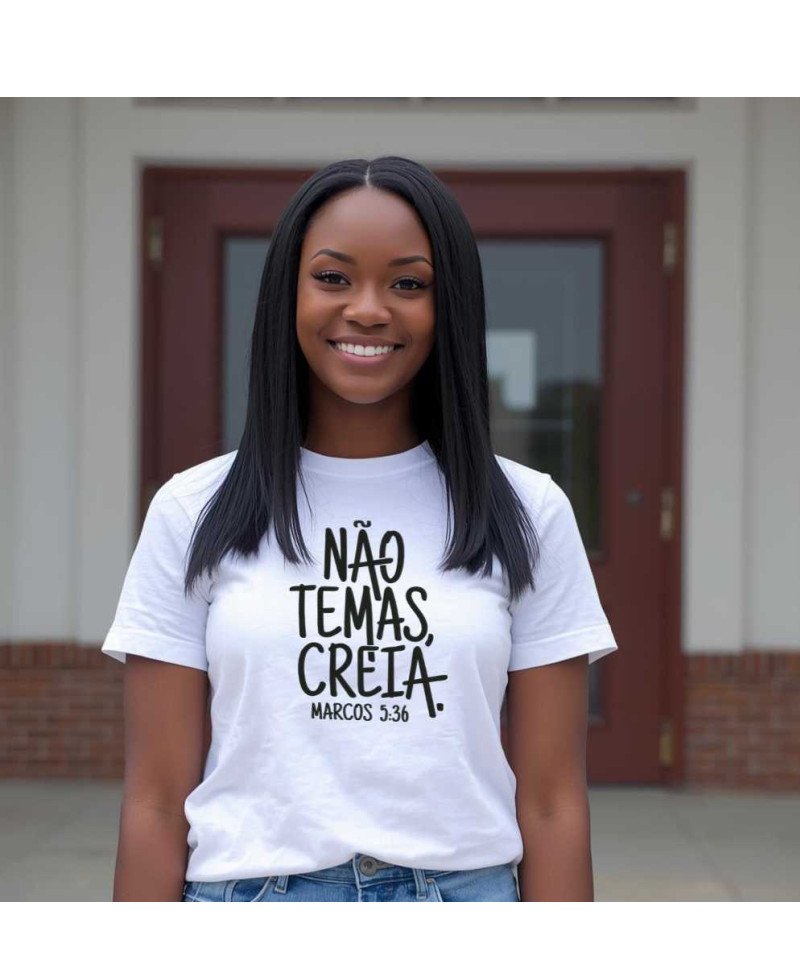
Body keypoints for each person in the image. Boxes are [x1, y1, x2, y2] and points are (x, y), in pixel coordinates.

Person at [102, 155, 617, 903]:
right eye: (333, 278)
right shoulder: (193, 509)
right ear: (288, 294)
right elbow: (153, 801)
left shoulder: (526, 510)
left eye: (408, 283)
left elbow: (551, 802)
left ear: (450, 307)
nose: (369, 309)